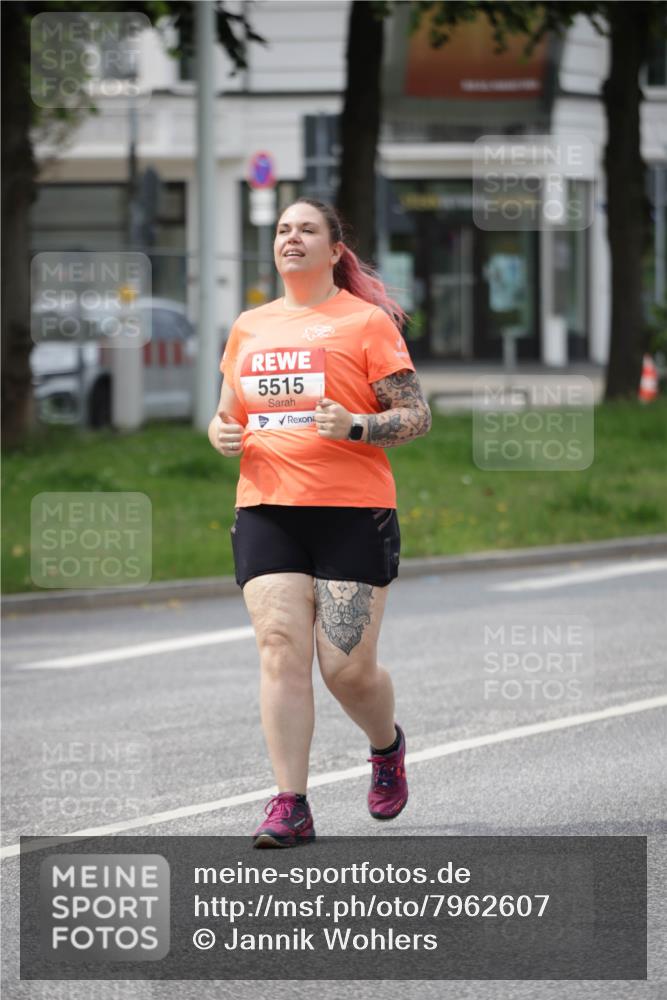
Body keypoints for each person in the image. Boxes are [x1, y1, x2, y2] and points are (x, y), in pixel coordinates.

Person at [208, 198, 431, 848]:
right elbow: (227, 414)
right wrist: (221, 432)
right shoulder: (250, 326)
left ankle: (385, 747)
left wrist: (357, 425)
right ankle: (291, 805)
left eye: (307, 229)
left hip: (350, 512)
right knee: (279, 649)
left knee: (345, 670)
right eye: (283, 229)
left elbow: (415, 416)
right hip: (266, 508)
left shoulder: (364, 322)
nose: (291, 237)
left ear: (335, 250)